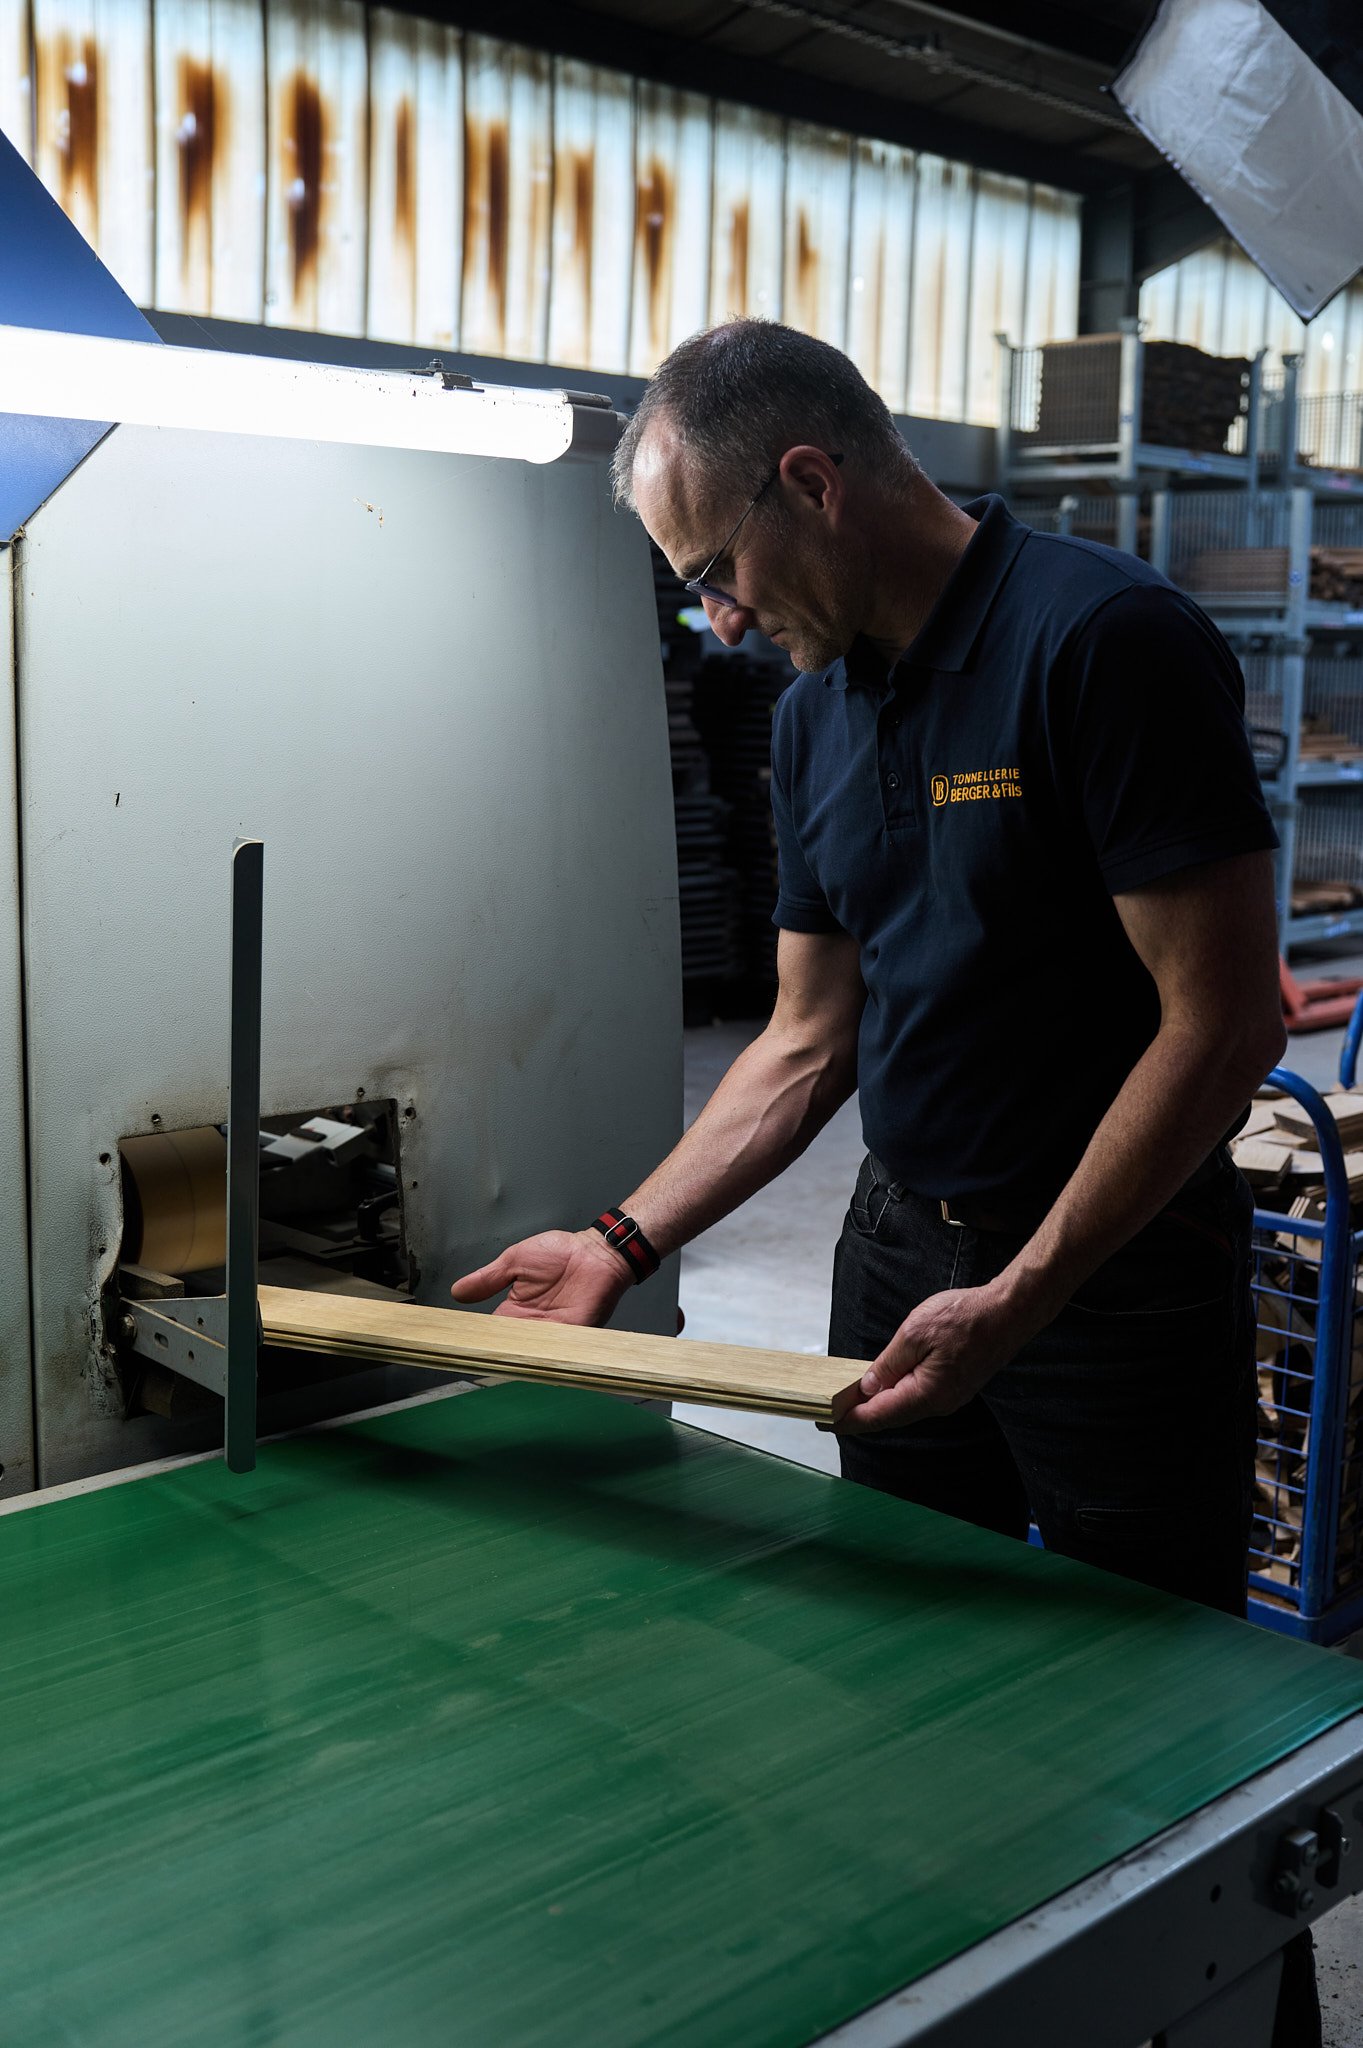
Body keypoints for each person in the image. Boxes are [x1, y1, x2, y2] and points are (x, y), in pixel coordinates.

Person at [453, 320, 1311, 2034]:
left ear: (814, 484)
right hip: (898, 1265)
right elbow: (799, 1039)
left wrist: (1029, 1293)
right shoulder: (813, 715)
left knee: (1177, 1746)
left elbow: (1222, 1029)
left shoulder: (1103, 645)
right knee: (900, 1693)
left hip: (1110, 1293)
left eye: (714, 571)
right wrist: (621, 1240)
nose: (717, 617)